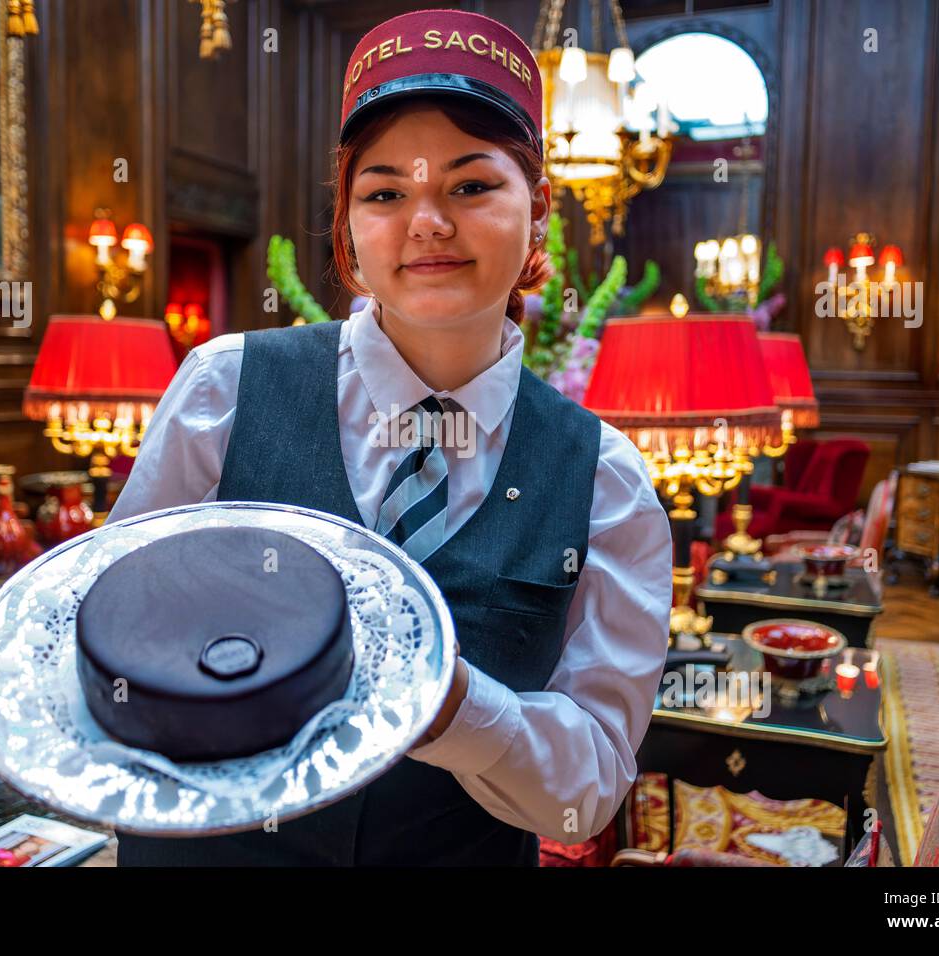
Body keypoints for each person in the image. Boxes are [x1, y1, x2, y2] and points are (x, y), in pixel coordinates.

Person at [109, 8, 671, 866]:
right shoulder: (224, 389)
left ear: (539, 212)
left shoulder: (605, 480)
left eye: (471, 185)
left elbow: (589, 789)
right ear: (348, 228)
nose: (428, 222)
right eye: (385, 193)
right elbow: (115, 624)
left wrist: (455, 710)